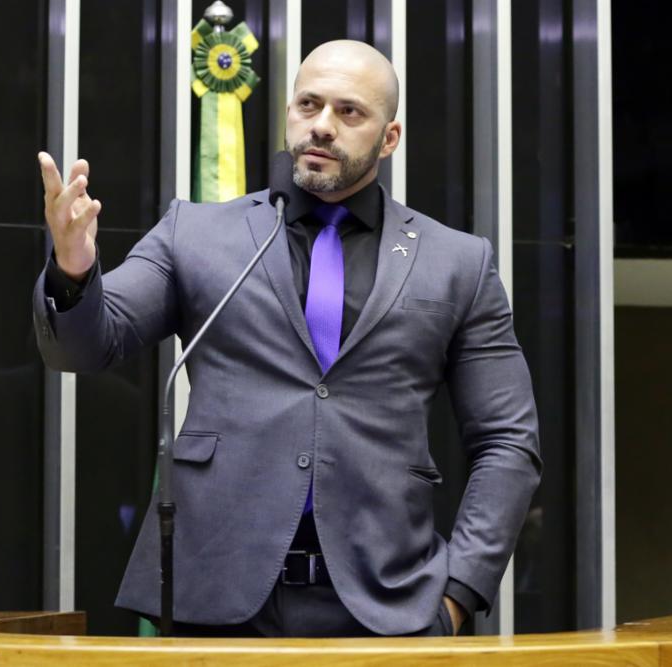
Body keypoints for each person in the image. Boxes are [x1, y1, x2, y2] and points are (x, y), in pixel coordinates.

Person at [33, 40, 541, 638]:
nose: (322, 126)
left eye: (349, 112)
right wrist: (72, 269)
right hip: (214, 601)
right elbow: (85, 346)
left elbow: (508, 441)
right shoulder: (196, 235)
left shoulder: (457, 262)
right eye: (309, 104)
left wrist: (457, 594)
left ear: (390, 137)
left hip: (389, 607)